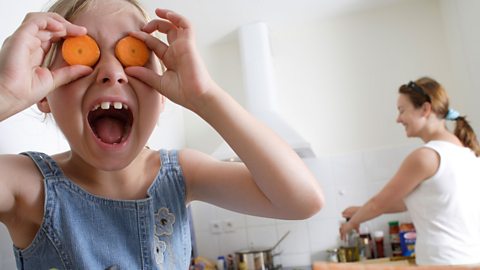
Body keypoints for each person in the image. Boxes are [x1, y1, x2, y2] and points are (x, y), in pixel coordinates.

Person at [0, 0, 324, 269]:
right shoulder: (26, 185)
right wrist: (4, 93)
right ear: (43, 94)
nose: (112, 72)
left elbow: (301, 201)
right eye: (82, 51)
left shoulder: (181, 173)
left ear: (162, 92)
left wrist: (205, 96)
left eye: (132, 52)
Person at [339, 77, 480, 265]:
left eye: (401, 110)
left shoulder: (426, 156)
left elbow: (378, 203)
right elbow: (407, 202)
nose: (398, 119)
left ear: (425, 109)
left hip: (442, 262)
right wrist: (359, 212)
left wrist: (351, 224)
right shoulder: (468, 154)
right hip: (470, 259)